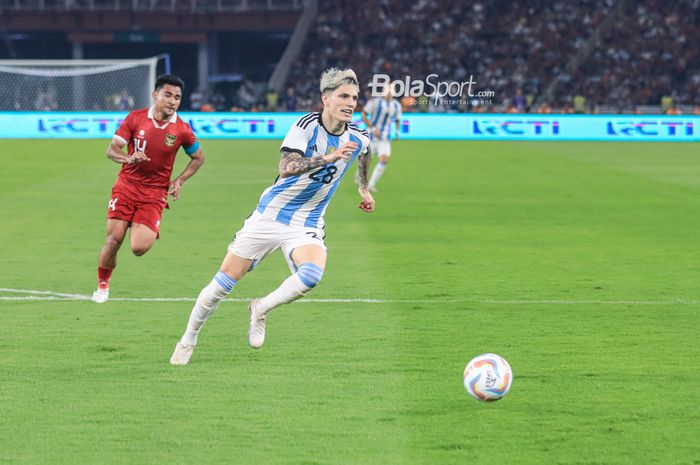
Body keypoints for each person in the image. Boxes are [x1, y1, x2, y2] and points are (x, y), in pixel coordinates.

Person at [170, 67, 374, 365]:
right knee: (220, 287)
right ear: (325, 98)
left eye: (355, 97)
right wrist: (327, 157)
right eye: (343, 96)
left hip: (307, 223)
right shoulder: (305, 126)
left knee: (311, 276)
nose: (350, 103)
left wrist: (363, 187)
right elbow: (286, 166)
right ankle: (188, 339)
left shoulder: (358, 135)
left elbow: (365, 154)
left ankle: (261, 309)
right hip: (270, 217)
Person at [92, 75, 205, 303]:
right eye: (168, 95)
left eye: (177, 97)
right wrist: (129, 157)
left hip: (154, 193)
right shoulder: (135, 119)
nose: (173, 101)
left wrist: (179, 180)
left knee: (139, 247)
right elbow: (112, 150)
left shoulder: (182, 130)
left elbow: (198, 158)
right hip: (126, 187)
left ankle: (136, 221)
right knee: (114, 240)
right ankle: (103, 285)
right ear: (155, 95)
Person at [360, 89, 401, 193]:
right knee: (366, 160)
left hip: (385, 138)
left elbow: (397, 119)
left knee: (384, 159)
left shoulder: (396, 105)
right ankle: (359, 176)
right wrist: (373, 129)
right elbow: (364, 115)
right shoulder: (375, 102)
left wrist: (397, 132)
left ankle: (371, 184)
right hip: (371, 136)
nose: (389, 93)